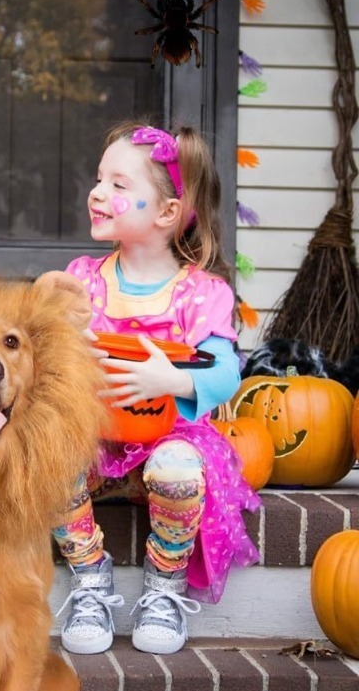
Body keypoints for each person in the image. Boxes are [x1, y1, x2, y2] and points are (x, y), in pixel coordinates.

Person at [53, 121, 261, 656]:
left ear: (167, 212)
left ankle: (164, 587)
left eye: (120, 186)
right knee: (50, 454)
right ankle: (90, 579)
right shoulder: (83, 280)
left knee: (176, 466)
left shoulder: (199, 293)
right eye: (100, 180)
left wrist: (170, 379)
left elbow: (224, 372)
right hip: (96, 443)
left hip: (171, 440)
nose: (98, 193)